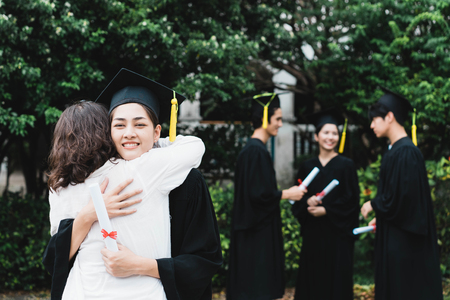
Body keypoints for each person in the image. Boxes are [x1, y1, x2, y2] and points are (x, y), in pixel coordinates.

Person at [43, 69, 222, 299]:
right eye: (119, 126)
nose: (129, 134)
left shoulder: (188, 181)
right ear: (107, 133)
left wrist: (142, 265)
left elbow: (205, 260)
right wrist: (88, 215)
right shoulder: (93, 178)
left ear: (156, 132)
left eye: (140, 125)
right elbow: (54, 259)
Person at [360, 87, 443, 300]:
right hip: (396, 240)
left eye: (374, 119)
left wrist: (375, 205)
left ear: (389, 117)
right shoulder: (396, 151)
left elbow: (404, 200)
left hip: (406, 247)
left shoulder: (406, 152)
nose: (371, 125)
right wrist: (382, 218)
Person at [226, 93, 307, 300]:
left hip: (252, 232)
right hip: (256, 236)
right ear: (264, 118)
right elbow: (258, 195)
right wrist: (286, 193)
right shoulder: (256, 152)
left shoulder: (252, 150)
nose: (280, 124)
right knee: (257, 289)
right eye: (277, 119)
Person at [291, 109, 360, 300]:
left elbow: (352, 201)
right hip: (314, 236)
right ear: (316, 136)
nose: (330, 137)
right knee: (313, 281)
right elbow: (297, 198)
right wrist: (308, 202)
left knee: (336, 284)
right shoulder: (307, 166)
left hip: (338, 237)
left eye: (334, 133)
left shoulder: (347, 166)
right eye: (326, 133)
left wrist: (326, 210)